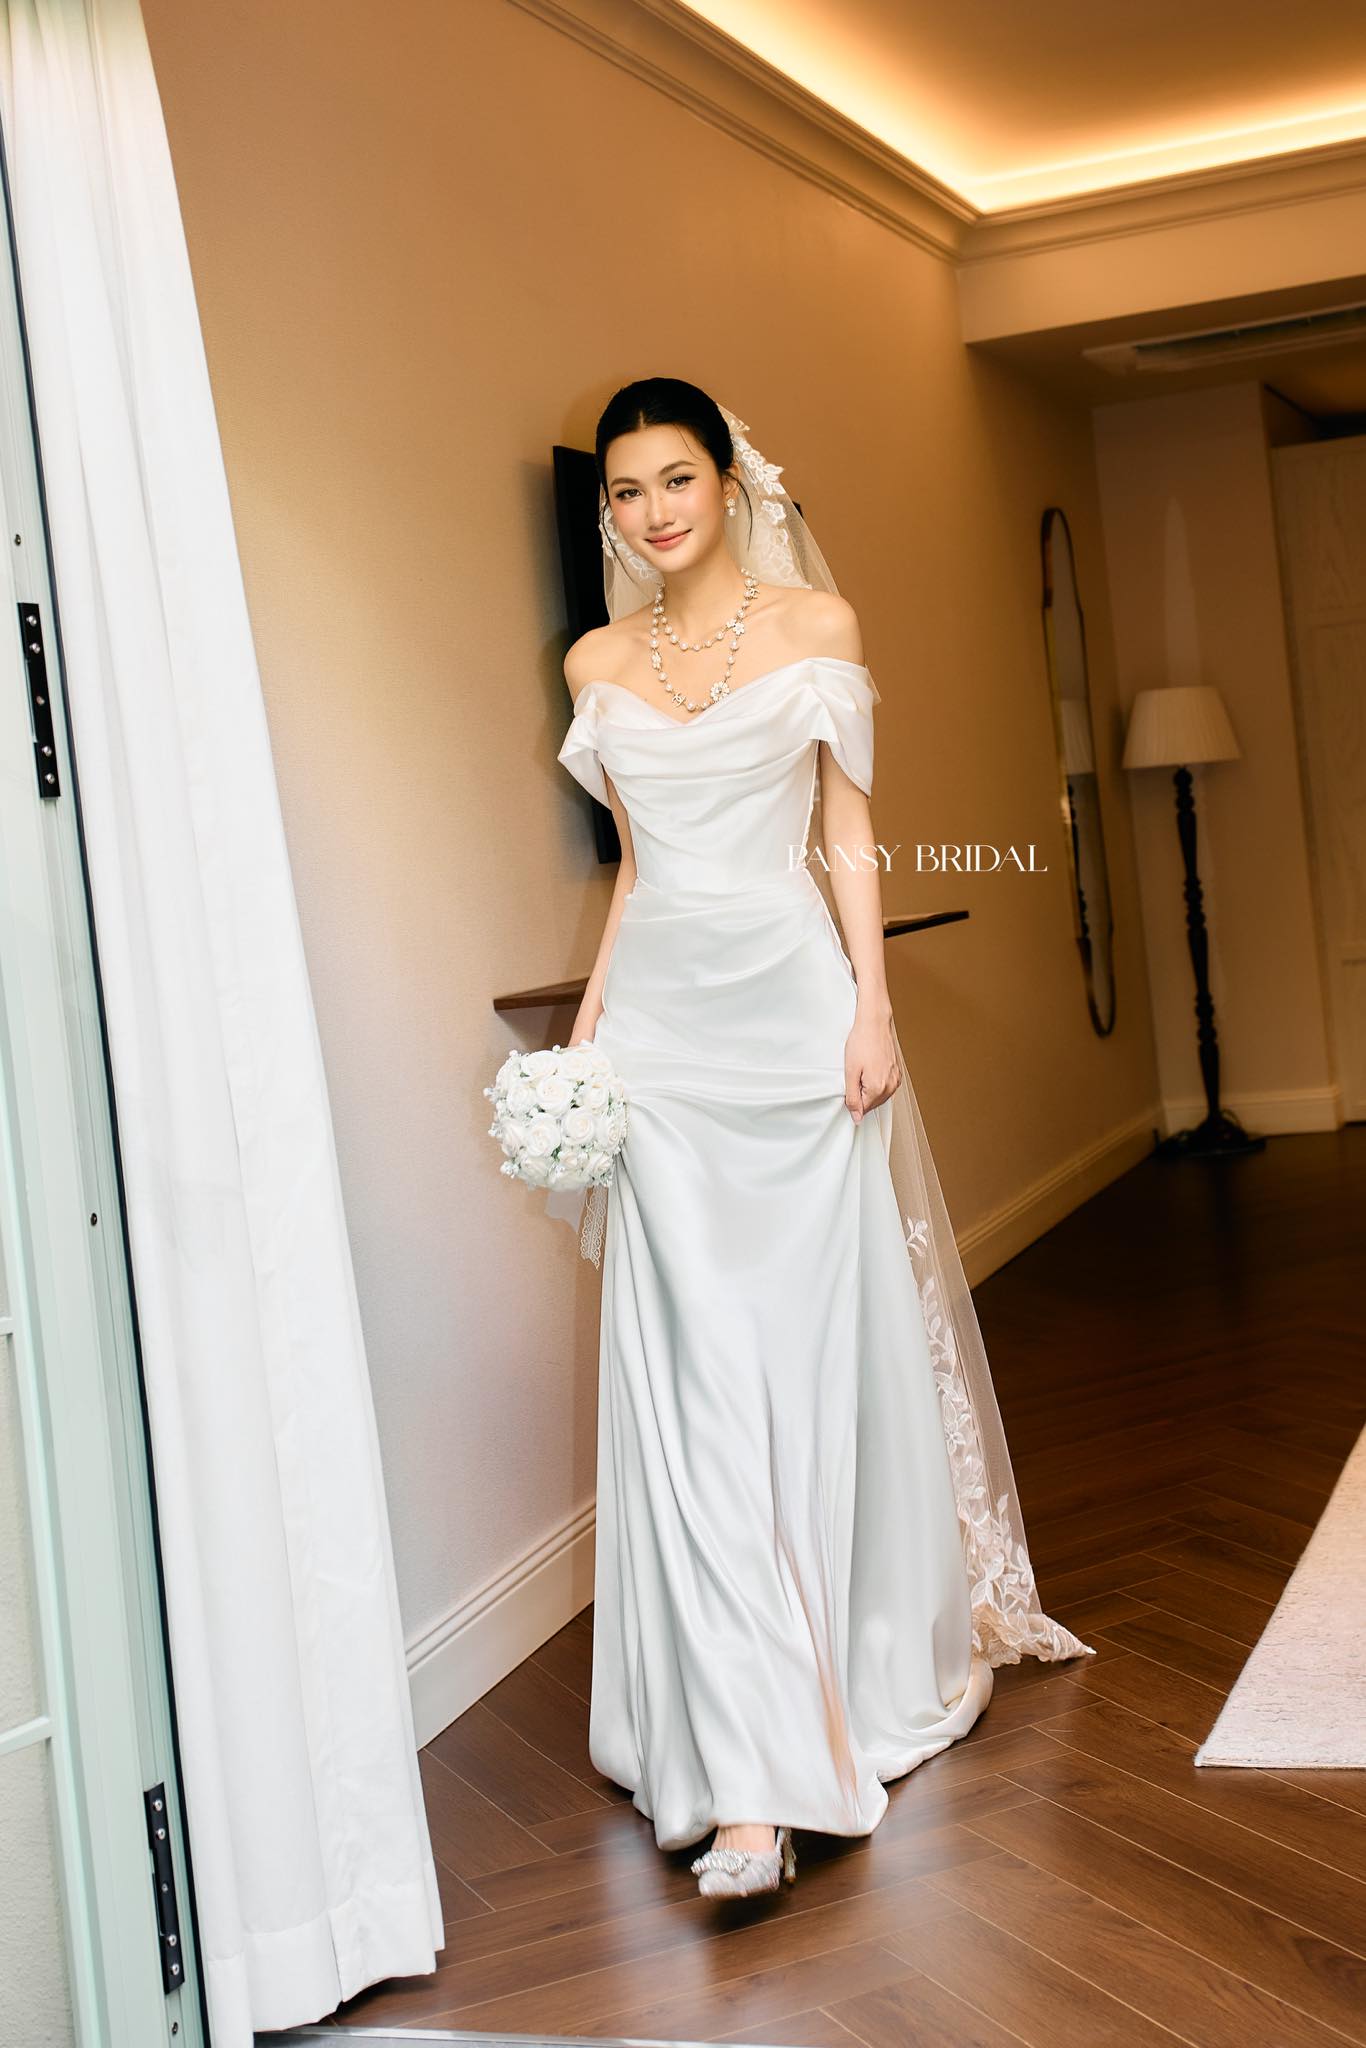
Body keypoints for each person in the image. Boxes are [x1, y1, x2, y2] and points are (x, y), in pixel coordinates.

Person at [555, 378, 1092, 1899]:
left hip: (794, 1027)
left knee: (799, 1359)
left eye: (675, 479)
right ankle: (748, 1785)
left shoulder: (816, 628)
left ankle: (832, 1680)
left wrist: (871, 1007)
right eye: (625, 491)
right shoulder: (594, 659)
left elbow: (847, 832)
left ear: (729, 485)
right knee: (697, 1380)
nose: (653, 512)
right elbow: (634, 874)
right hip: (661, 1047)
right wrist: (585, 1050)